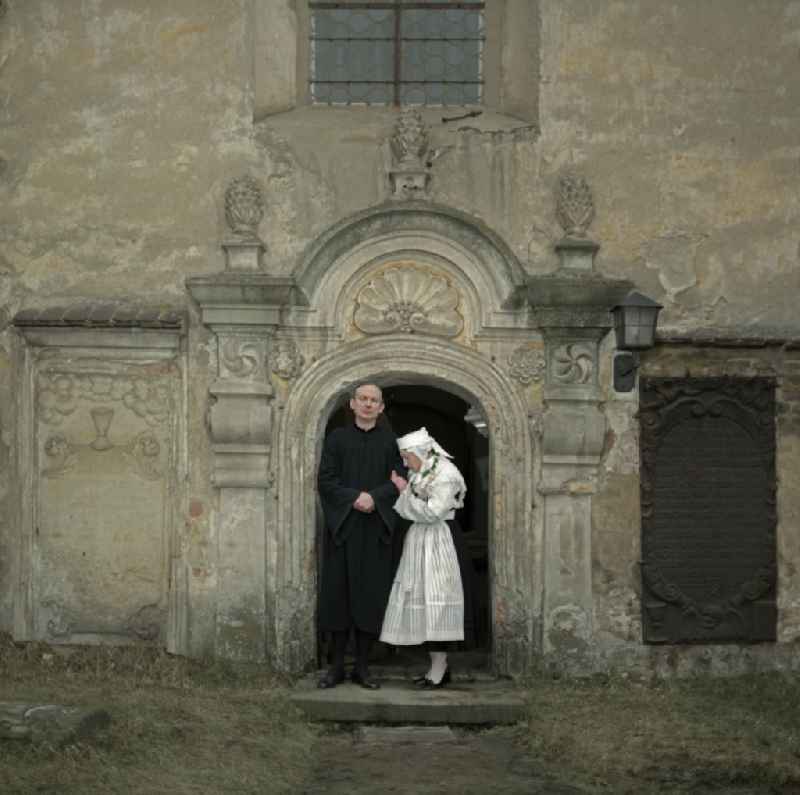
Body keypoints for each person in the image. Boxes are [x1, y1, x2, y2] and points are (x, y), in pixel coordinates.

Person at [317, 383, 406, 690]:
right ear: (352, 404)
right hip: (343, 530)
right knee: (338, 598)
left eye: (374, 401)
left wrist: (375, 497)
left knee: (370, 598)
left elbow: (399, 481)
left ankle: (364, 669)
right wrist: (356, 497)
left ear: (381, 408)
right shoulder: (337, 439)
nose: (368, 404)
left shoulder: (391, 443)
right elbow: (326, 481)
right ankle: (337, 667)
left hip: (375, 532)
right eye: (363, 399)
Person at [380, 427, 473, 688]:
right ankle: (436, 666)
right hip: (421, 540)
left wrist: (403, 492)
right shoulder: (422, 471)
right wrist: (408, 492)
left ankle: (440, 668)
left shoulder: (446, 474)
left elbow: (433, 513)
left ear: (420, 452)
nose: (405, 463)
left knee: (439, 600)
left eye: (407, 457)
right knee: (424, 600)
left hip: (440, 541)